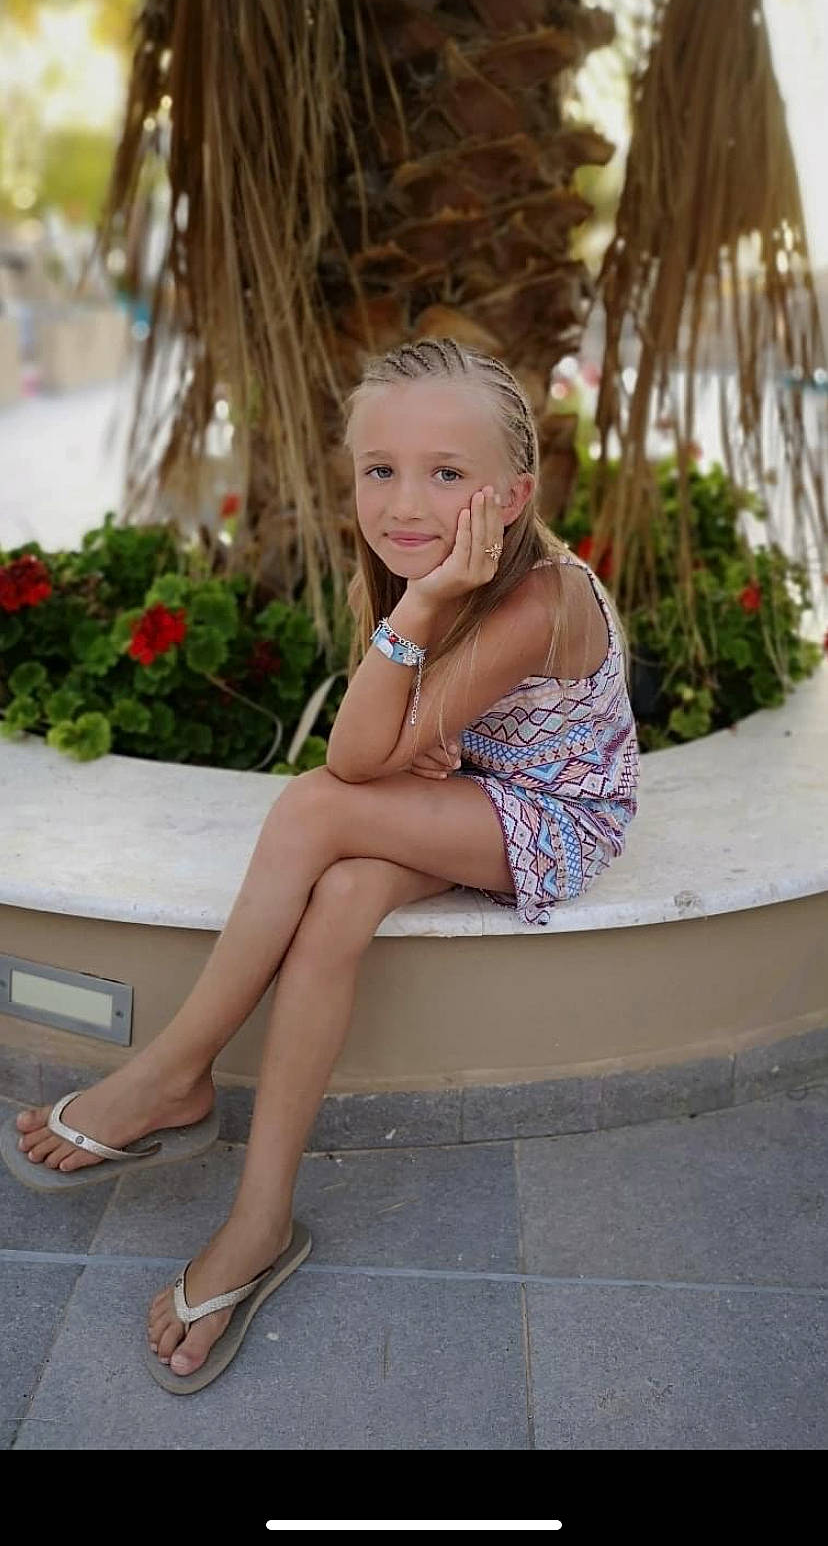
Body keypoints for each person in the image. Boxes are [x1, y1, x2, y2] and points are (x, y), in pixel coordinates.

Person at [3, 337, 639, 1393]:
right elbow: (378, 746)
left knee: (309, 809)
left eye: (446, 473)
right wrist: (411, 697)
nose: (403, 501)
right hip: (467, 785)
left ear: (513, 493)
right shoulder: (424, 566)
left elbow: (348, 761)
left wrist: (423, 620)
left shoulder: (531, 600)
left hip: (554, 815)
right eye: (378, 469)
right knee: (340, 890)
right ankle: (259, 1221)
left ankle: (171, 1074)